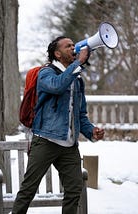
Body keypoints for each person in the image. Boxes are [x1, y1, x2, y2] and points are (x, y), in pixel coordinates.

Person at [11, 36, 105, 214]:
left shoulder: (77, 79)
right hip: (45, 140)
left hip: (68, 145)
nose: (73, 48)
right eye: (68, 46)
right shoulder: (46, 73)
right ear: (57, 53)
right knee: (28, 190)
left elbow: (80, 114)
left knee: (74, 189)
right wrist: (79, 63)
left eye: (73, 45)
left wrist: (92, 131)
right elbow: (57, 86)